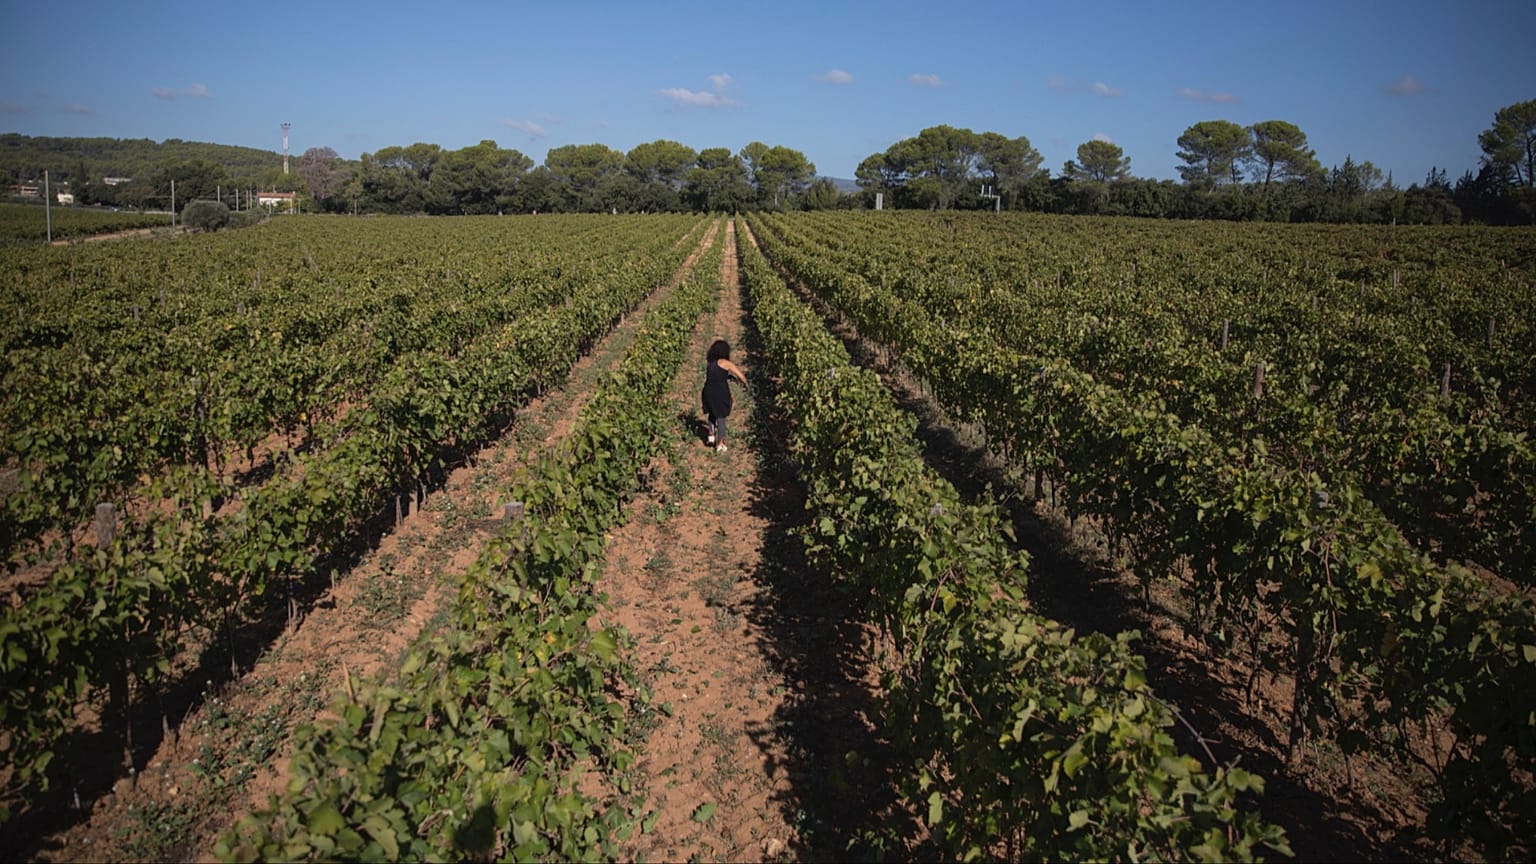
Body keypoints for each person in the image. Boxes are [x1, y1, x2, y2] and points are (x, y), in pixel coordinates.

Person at [701, 339, 747, 452]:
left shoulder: (710, 363)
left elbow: (717, 376)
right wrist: (746, 384)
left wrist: (728, 377)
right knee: (721, 416)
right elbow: (741, 375)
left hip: (707, 391)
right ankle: (720, 444)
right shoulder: (726, 363)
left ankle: (711, 435)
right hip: (720, 392)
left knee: (712, 412)